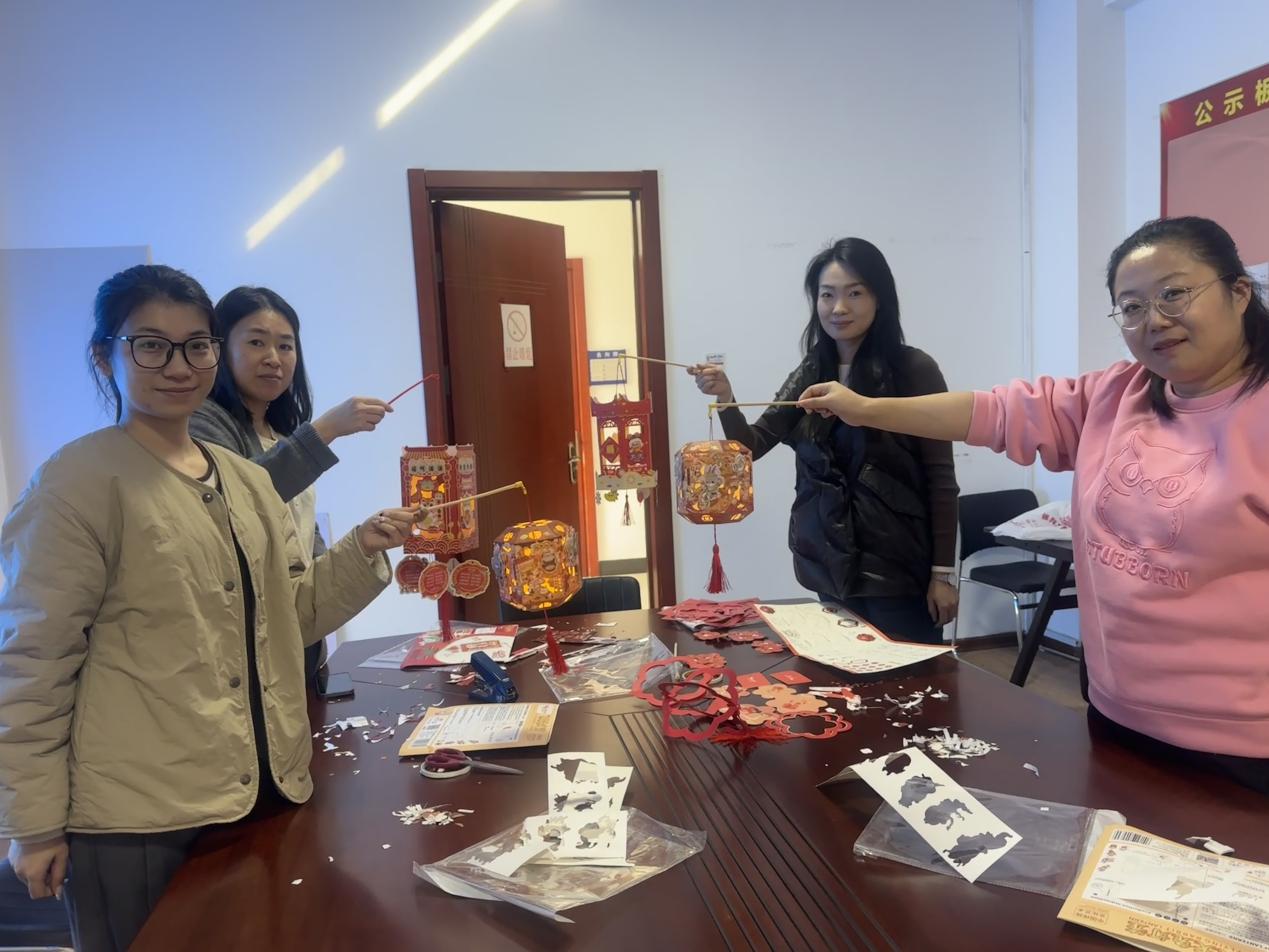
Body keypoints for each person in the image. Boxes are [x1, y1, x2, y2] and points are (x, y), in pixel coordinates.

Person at [0, 264, 420, 950]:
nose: (178, 365)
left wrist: (361, 549)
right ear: (105, 356)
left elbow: (288, 619)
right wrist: (34, 823)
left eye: (195, 345)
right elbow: (32, 663)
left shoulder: (247, 482)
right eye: (150, 345)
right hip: (138, 819)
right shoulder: (75, 485)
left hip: (260, 791)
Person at [799, 216, 1269, 793]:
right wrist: (865, 409)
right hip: (1117, 711)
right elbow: (994, 412)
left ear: (1238, 292)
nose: (1155, 319)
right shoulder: (1116, 394)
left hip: (1243, 740)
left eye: (1174, 293)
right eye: (1132, 306)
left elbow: (943, 479)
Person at [688, 238, 959, 643]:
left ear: (880, 298)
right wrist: (726, 397)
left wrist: (943, 574)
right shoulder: (812, 369)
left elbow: (941, 478)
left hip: (898, 570)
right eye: (827, 294)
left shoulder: (913, 369)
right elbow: (751, 446)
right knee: (841, 676)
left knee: (907, 679)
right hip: (827, 567)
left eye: (855, 293)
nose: (839, 307)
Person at [190, 285, 392, 680]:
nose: (274, 358)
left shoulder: (280, 431)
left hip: (298, 640)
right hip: (246, 647)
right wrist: (326, 429)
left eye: (285, 346)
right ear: (219, 349)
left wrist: (361, 544)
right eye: (256, 342)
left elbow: (302, 543)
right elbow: (240, 502)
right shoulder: (203, 421)